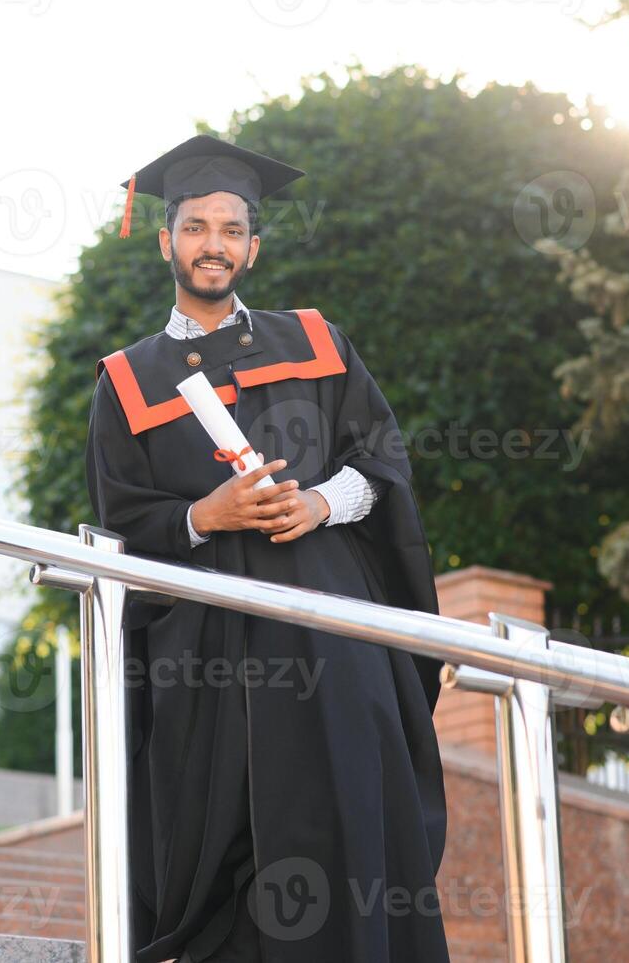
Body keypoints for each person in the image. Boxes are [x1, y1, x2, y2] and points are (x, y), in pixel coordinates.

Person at [84, 134, 450, 962]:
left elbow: (381, 462)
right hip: (211, 656)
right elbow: (120, 526)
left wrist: (319, 503)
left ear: (254, 244)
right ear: (164, 238)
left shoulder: (315, 342)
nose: (213, 243)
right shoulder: (127, 381)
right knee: (234, 843)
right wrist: (205, 515)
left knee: (350, 815)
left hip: (333, 630)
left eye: (230, 228)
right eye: (195, 226)